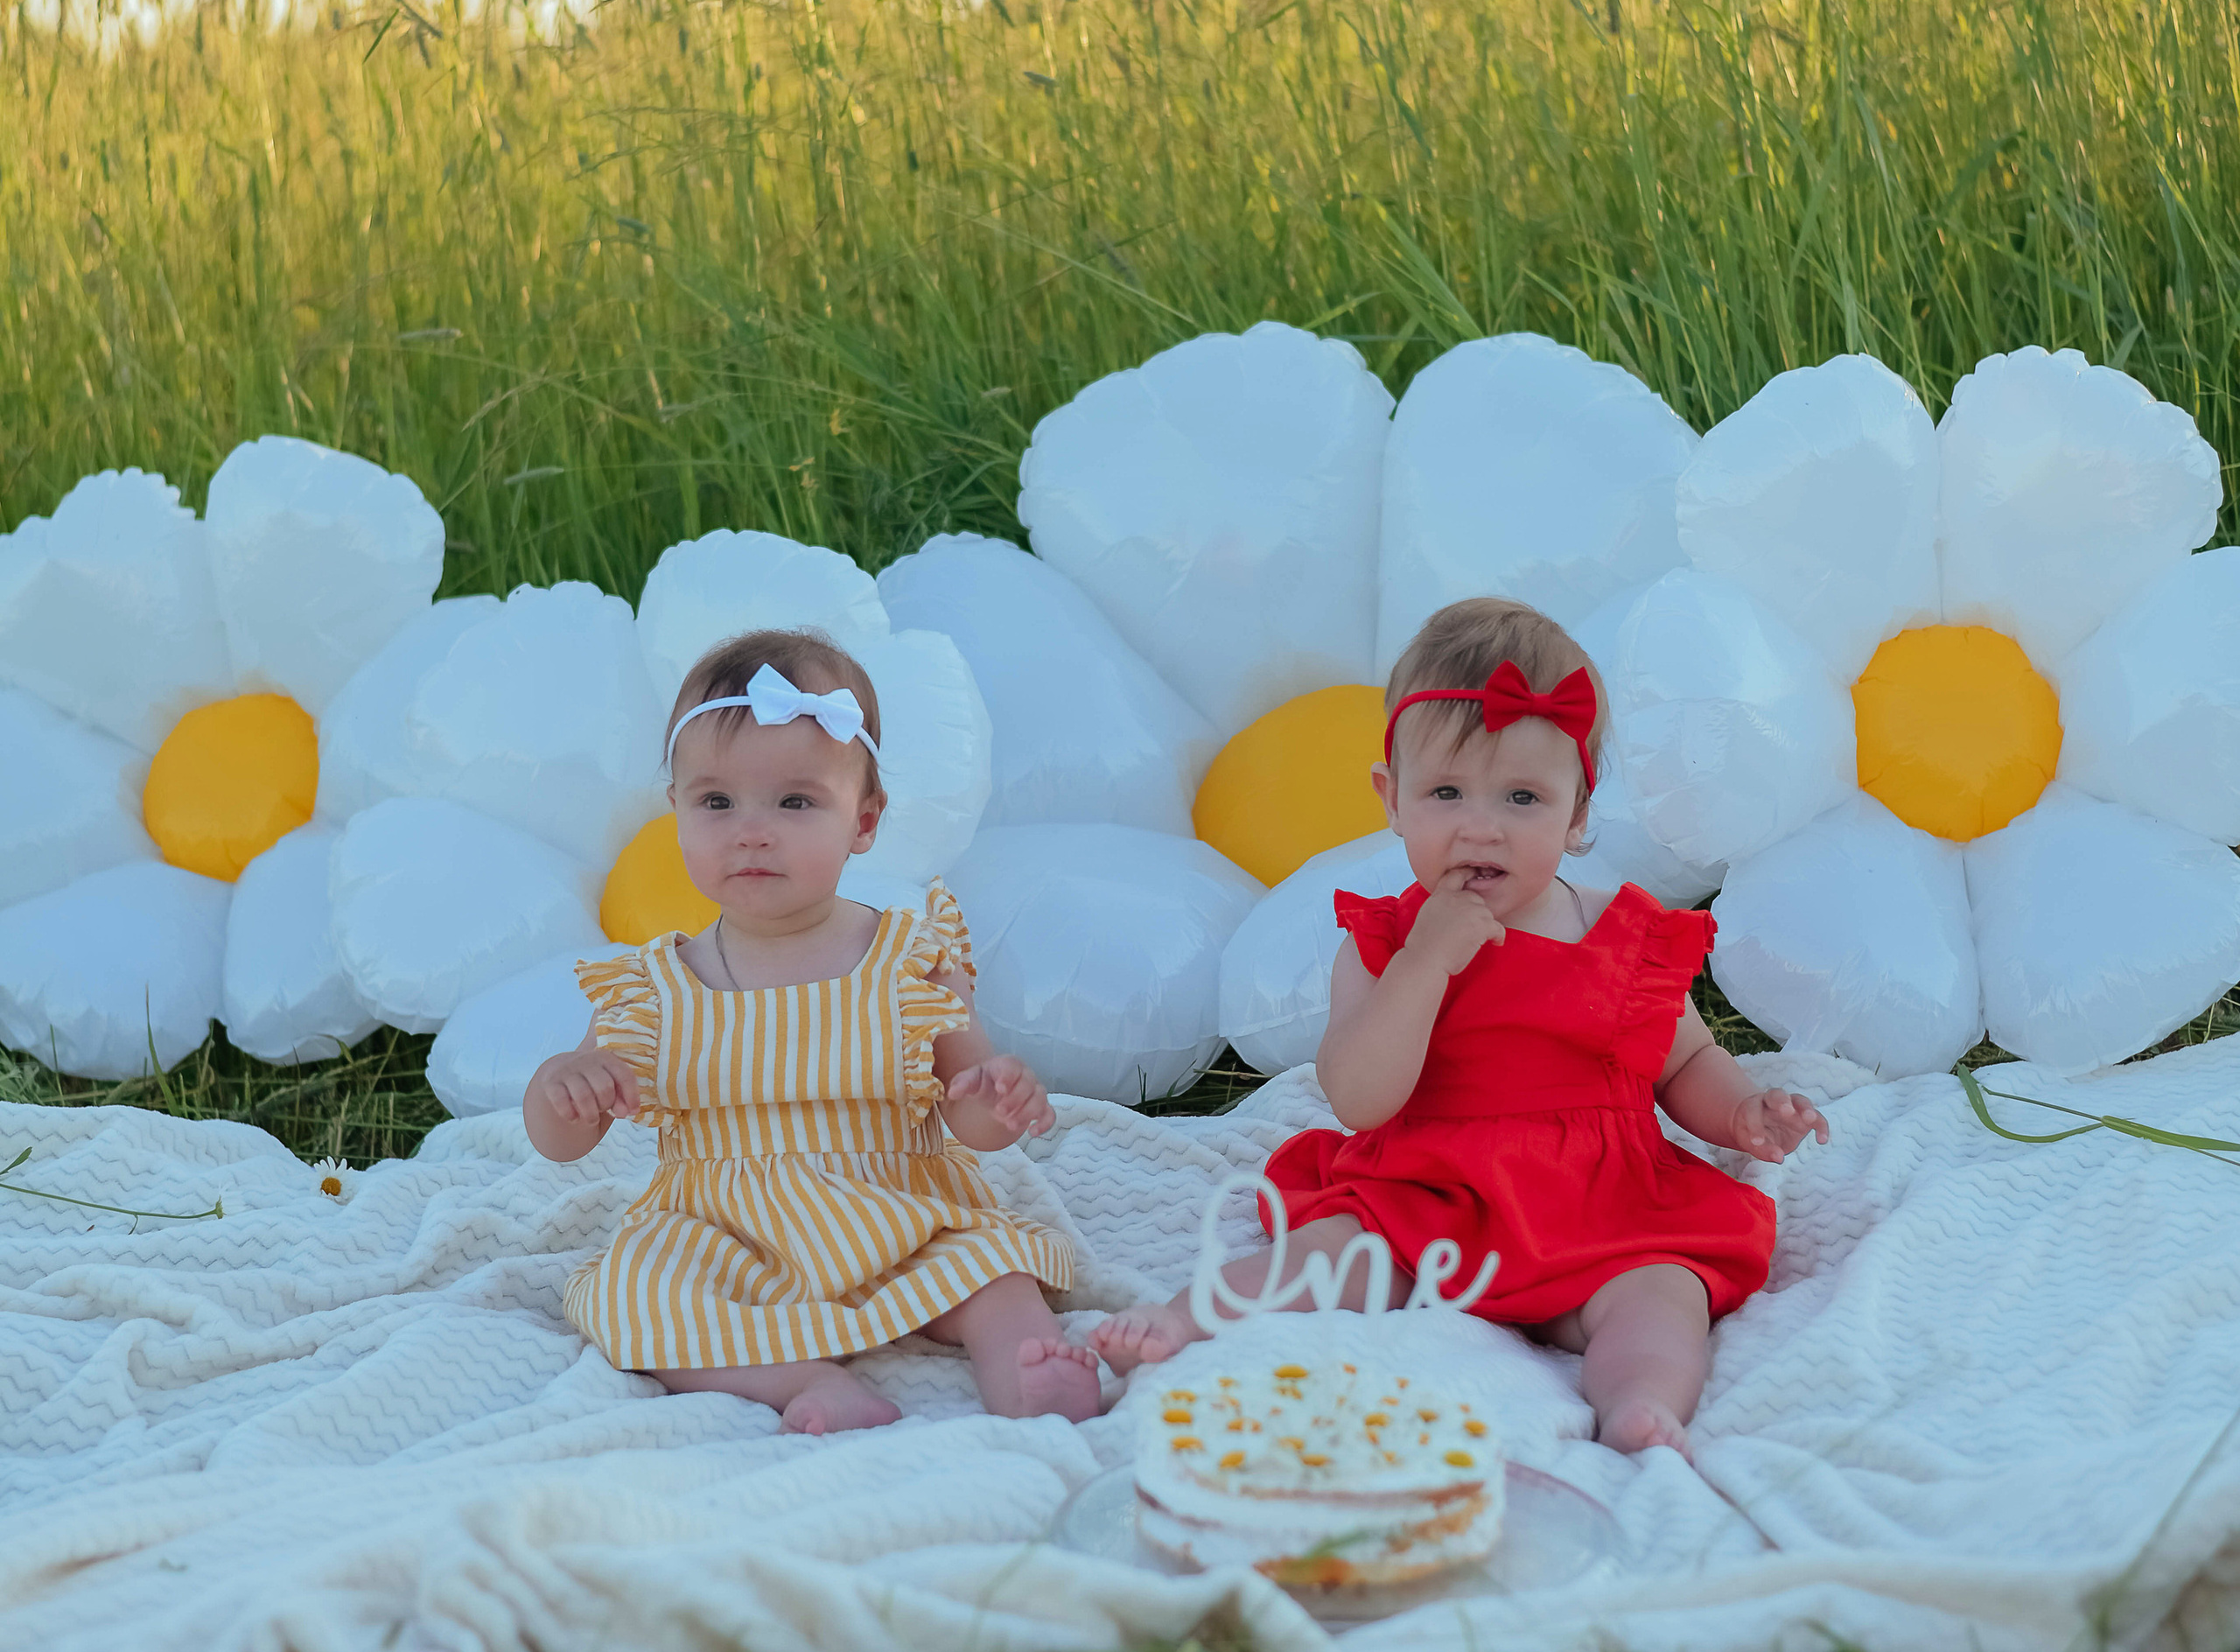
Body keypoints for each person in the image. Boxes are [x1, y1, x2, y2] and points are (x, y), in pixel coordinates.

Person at [1089, 596, 1829, 1453]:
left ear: (1579, 814)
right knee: (1332, 1256)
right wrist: (1424, 967)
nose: (1481, 825)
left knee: (1664, 1294)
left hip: (1602, 1208)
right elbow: (1361, 1099)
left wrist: (1739, 1112)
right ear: (1391, 799)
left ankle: (1638, 1401)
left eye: (1522, 796)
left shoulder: (1620, 931)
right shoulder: (1384, 943)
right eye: (1446, 792)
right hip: (1427, 1198)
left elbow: (1683, 1059)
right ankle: (1183, 1320)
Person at [530, 627, 1098, 1434]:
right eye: (716, 801)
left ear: (863, 822)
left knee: (990, 1267)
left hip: (898, 1210)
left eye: (795, 801)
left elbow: (968, 1116)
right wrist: (565, 1089)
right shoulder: (652, 987)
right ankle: (804, 1380)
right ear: (677, 814)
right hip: (720, 1231)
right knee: (629, 1297)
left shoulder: (909, 961)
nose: (750, 830)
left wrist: (994, 1095)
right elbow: (562, 1142)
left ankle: (1028, 1369)